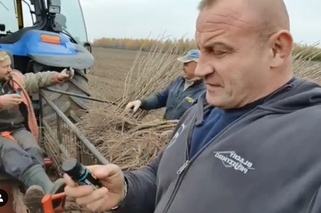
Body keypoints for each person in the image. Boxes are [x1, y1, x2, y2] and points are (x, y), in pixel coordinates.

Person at [64, 0, 321, 212]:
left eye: (219, 51)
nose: (201, 69)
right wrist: (126, 190)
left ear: (277, 49)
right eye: (201, 51)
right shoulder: (202, 110)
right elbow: (160, 178)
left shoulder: (312, 142)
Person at [0, 50, 74, 212]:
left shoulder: (14, 80)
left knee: (33, 148)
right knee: (11, 151)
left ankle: (35, 196)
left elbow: (36, 78)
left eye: (10, 66)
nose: (10, 69)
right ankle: (48, 190)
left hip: (17, 128)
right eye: (5, 67)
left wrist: (57, 76)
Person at [125, 49, 205, 120]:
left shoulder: (205, 92)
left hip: (184, 134)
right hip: (166, 130)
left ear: (198, 66)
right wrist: (141, 102)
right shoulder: (178, 81)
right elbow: (161, 98)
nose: (182, 68)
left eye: (186, 65)